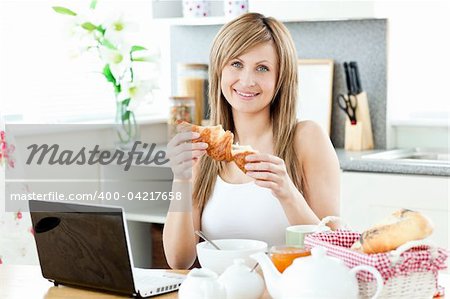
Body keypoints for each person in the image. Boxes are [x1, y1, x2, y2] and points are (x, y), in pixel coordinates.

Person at [163, 12, 340, 269]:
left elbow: (336, 252)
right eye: (236, 64)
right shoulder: (203, 146)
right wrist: (181, 180)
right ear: (219, 70)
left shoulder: (307, 138)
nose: (247, 80)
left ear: (281, 78)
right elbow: (179, 260)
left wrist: (288, 194)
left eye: (262, 68)